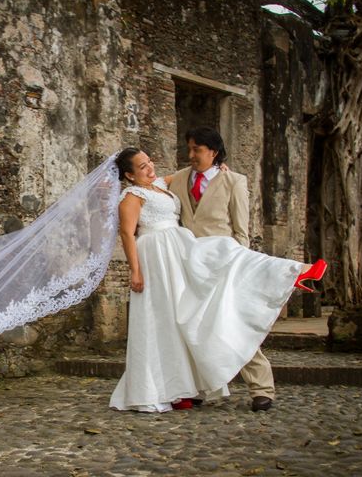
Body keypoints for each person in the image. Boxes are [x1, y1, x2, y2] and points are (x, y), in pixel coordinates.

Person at [108, 146, 326, 414]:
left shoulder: (159, 184)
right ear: (129, 175)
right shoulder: (131, 196)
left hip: (178, 249)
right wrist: (135, 271)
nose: (150, 168)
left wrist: (218, 169)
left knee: (217, 264)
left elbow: (184, 173)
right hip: (156, 257)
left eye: (150, 161)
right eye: (142, 166)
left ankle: (294, 271)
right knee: (163, 319)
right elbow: (128, 234)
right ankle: (164, 388)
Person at [168, 127, 274, 411]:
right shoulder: (177, 179)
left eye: (197, 150)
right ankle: (201, 388)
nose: (191, 155)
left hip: (223, 264)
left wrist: (238, 265)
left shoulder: (234, 181)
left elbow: (241, 230)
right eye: (189, 149)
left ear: (213, 153)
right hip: (188, 265)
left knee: (234, 323)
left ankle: (261, 389)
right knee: (195, 326)